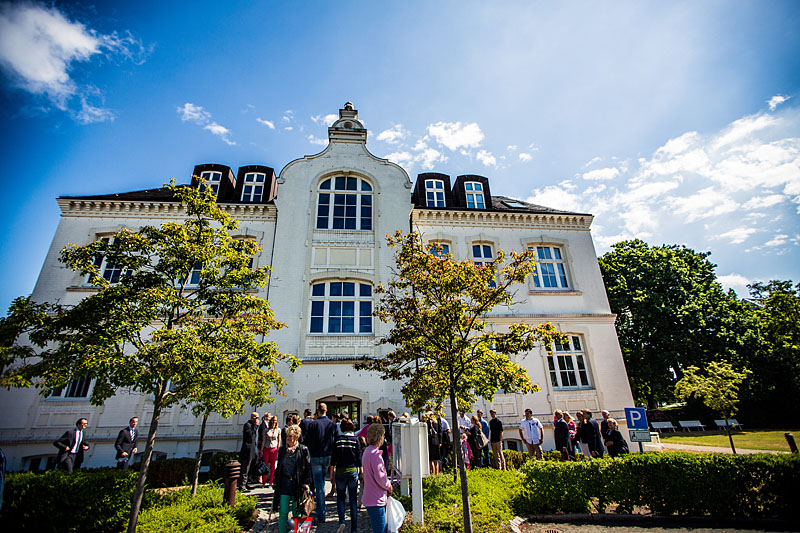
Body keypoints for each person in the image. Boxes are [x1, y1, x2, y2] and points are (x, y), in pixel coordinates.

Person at [271, 424, 313, 533]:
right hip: (284, 483)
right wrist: (275, 480)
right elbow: (279, 466)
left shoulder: (303, 450)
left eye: (290, 436)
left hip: (297, 485)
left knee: (298, 512)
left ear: (296, 437)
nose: (287, 439)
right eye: (287, 436)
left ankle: (298, 531)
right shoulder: (282, 451)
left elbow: (308, 467)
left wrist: (306, 483)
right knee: (283, 511)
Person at [305, 403, 336, 523]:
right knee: (321, 481)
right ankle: (321, 511)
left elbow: (306, 440)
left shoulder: (313, 424)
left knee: (319, 485)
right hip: (327, 456)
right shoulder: (332, 425)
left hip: (315, 456)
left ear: (318, 411)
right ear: (326, 411)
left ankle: (321, 513)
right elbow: (334, 440)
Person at [331, 419, 361, 533]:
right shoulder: (355, 440)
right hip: (352, 471)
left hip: (340, 472)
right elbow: (358, 457)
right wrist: (361, 471)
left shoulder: (337, 440)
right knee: (353, 500)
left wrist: (332, 474)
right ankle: (354, 528)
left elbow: (333, 458)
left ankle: (342, 521)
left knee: (340, 498)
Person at [362, 423, 393, 533]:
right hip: (376, 498)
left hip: (370, 496)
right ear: (380, 437)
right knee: (380, 529)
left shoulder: (367, 451)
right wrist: (389, 486)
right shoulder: (375, 454)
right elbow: (381, 477)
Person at [239, 412, 260, 490]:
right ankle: (242, 485)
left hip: (253, 449)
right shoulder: (247, 425)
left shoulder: (252, 425)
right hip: (247, 450)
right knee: (245, 467)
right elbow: (250, 435)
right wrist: (256, 426)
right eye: (256, 418)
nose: (257, 419)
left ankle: (247, 482)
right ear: (252, 417)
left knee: (251, 467)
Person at [262, 414, 281, 486]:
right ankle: (264, 481)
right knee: (265, 464)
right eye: (273, 420)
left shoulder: (278, 430)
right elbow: (264, 440)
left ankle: (271, 481)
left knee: (273, 466)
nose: (274, 422)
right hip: (266, 448)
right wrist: (261, 450)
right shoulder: (266, 430)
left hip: (274, 448)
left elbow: (279, 440)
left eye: (275, 421)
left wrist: (278, 448)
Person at [425, 411, 441, 475]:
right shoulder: (436, 422)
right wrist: (440, 441)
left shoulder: (429, 423)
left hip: (431, 441)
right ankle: (436, 474)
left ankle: (432, 474)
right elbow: (440, 431)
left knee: (431, 460)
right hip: (436, 441)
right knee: (436, 460)